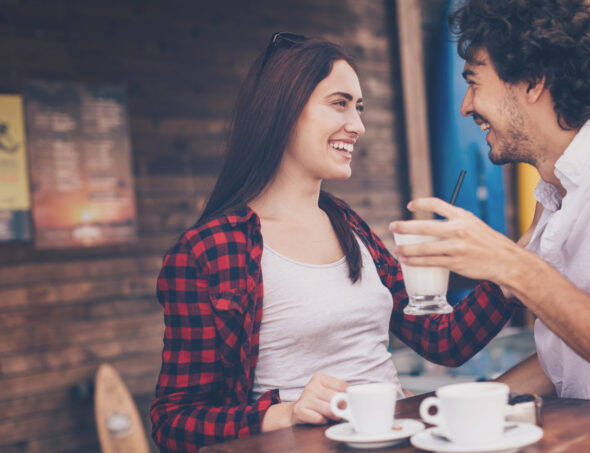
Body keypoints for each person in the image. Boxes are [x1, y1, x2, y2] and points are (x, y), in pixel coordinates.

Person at [150, 33, 516, 452]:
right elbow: (173, 423)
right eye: (340, 104)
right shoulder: (208, 251)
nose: (357, 125)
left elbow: (443, 342)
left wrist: (515, 271)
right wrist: (283, 413)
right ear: (283, 111)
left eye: (359, 108)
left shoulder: (349, 226)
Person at [391, 0, 590, 410]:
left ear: (533, 81)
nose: (466, 105)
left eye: (474, 82)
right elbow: (574, 356)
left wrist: (512, 265)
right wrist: (447, 408)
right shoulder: (552, 200)